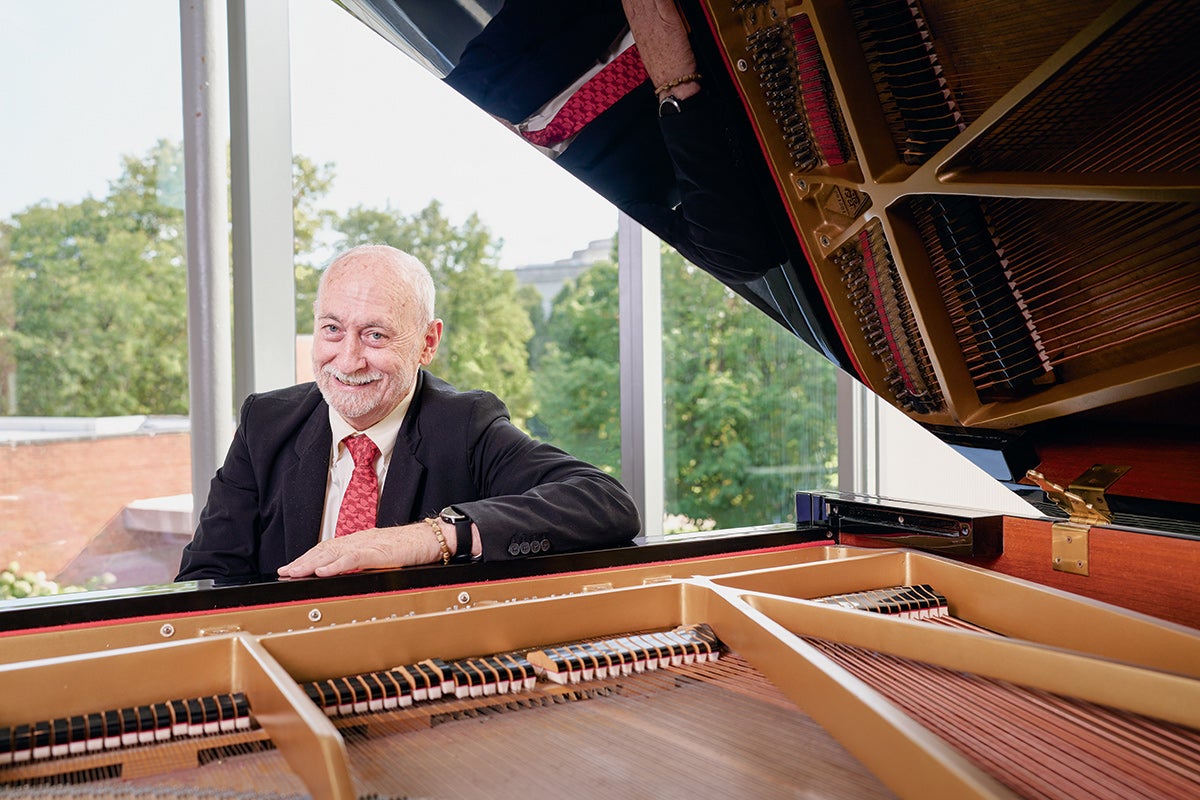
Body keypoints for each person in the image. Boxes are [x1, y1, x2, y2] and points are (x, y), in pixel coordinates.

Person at [177, 245, 641, 582]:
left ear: (427, 343)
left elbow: (605, 503)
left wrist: (428, 539)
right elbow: (205, 577)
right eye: (333, 329)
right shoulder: (265, 424)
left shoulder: (465, 425)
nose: (348, 359)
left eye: (376, 336)